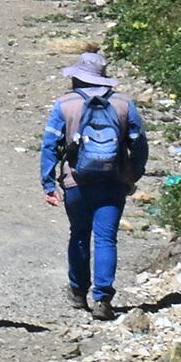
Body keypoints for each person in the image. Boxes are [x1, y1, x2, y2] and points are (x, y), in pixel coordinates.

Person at [40, 50, 147, 321]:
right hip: (112, 182)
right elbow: (140, 144)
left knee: (78, 234)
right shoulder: (124, 105)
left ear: (77, 77)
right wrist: (132, 174)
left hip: (76, 181)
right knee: (106, 238)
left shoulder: (64, 105)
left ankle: (78, 291)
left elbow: (50, 146)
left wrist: (48, 182)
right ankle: (103, 299)